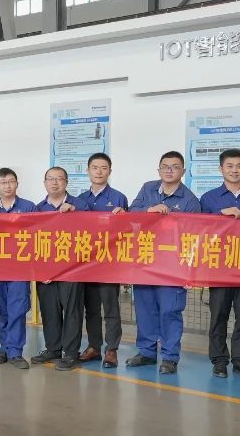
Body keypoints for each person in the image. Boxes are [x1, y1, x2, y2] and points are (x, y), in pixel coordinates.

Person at [128, 151, 201, 375]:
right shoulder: (148, 189)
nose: (169, 170)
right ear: (158, 169)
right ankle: (147, 352)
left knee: (170, 311)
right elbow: (131, 213)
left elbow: (195, 238)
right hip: (146, 261)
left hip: (173, 266)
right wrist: (148, 211)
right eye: (165, 166)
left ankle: (170, 357)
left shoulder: (190, 200)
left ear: (183, 171)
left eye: (175, 166)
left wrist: (190, 272)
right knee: (145, 310)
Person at [199, 149, 240, 379]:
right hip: (219, 266)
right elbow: (199, 229)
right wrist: (220, 215)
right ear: (221, 169)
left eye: (239, 166)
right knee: (218, 315)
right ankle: (219, 360)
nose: (234, 170)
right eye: (229, 166)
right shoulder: (209, 198)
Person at [72, 152, 128, 368]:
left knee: (111, 308)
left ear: (109, 171)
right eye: (95, 167)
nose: (99, 171)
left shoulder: (119, 198)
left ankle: (111, 349)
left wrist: (123, 217)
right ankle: (94, 346)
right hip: (86, 262)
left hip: (109, 262)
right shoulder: (79, 200)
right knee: (91, 309)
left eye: (104, 168)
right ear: (88, 171)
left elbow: (128, 230)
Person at [31, 167, 83, 371]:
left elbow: (93, 231)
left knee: (72, 311)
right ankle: (53, 348)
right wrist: (39, 269)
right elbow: (32, 241)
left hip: (72, 269)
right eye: (50, 179)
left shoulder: (80, 205)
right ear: (44, 183)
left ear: (66, 182)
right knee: (49, 310)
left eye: (59, 179)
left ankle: (71, 353)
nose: (54, 182)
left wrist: (76, 213)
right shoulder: (37, 209)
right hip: (46, 271)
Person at [0, 167, 35, 370]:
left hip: (19, 270)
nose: (7, 186)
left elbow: (39, 235)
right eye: (3, 182)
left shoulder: (28, 207)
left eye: (11, 182)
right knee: (1, 310)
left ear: (17, 184)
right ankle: (4, 349)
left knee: (17, 309)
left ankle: (16, 352)